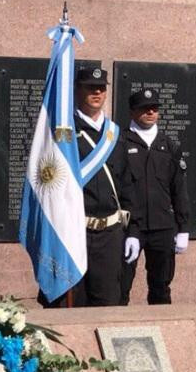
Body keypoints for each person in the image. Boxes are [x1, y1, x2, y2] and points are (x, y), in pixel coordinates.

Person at [41, 66, 142, 307]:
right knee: (72, 306)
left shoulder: (116, 135)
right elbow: (49, 184)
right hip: (73, 232)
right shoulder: (62, 134)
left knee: (108, 303)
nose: (97, 92)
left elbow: (127, 186)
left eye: (101, 88)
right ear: (77, 90)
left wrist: (134, 233)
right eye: (90, 88)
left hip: (109, 235)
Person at [120, 88, 189, 305]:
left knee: (161, 288)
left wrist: (183, 227)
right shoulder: (120, 142)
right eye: (144, 108)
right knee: (120, 287)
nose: (150, 112)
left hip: (162, 226)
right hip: (130, 227)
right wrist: (129, 229)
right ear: (132, 112)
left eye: (154, 108)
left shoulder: (169, 145)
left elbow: (178, 188)